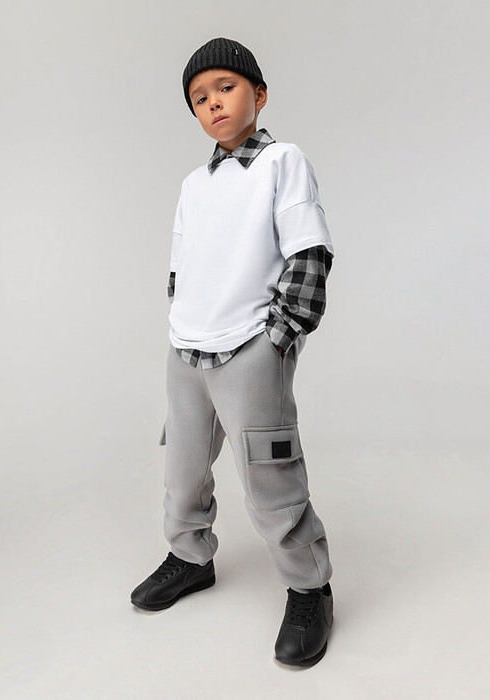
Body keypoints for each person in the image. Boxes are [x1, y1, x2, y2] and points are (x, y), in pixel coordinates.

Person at [130, 37, 336, 668]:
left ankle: (309, 587)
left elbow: (308, 252)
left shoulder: (281, 162)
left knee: (270, 476)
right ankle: (190, 557)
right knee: (184, 467)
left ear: (259, 95)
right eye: (200, 98)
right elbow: (180, 266)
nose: (213, 103)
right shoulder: (194, 184)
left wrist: (280, 337)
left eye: (226, 87)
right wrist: (180, 324)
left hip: (250, 348)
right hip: (187, 351)